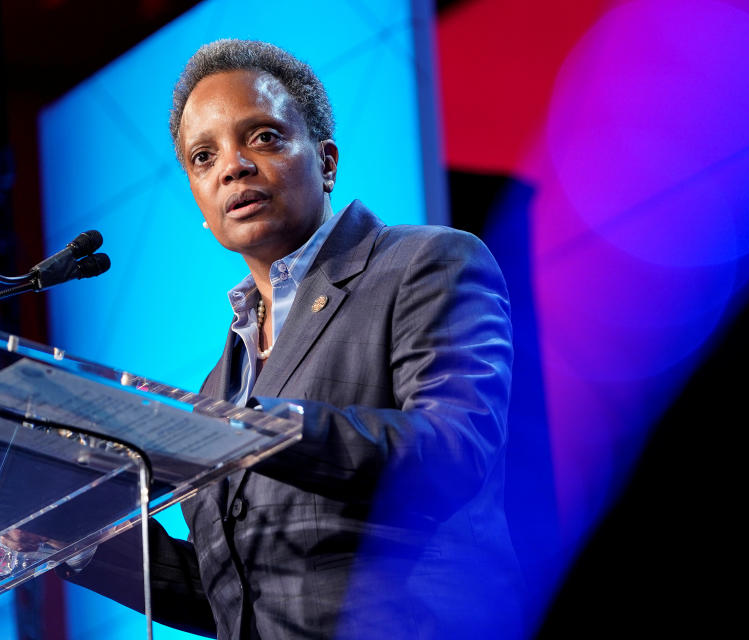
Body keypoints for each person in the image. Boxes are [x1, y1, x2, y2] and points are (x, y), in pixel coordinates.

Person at [61, 39, 522, 640]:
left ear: (327, 161)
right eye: (204, 158)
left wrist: (257, 430)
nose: (232, 166)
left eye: (264, 138)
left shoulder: (425, 263)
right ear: (201, 205)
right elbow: (231, 596)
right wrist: (76, 533)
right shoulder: (219, 385)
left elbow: (452, 452)